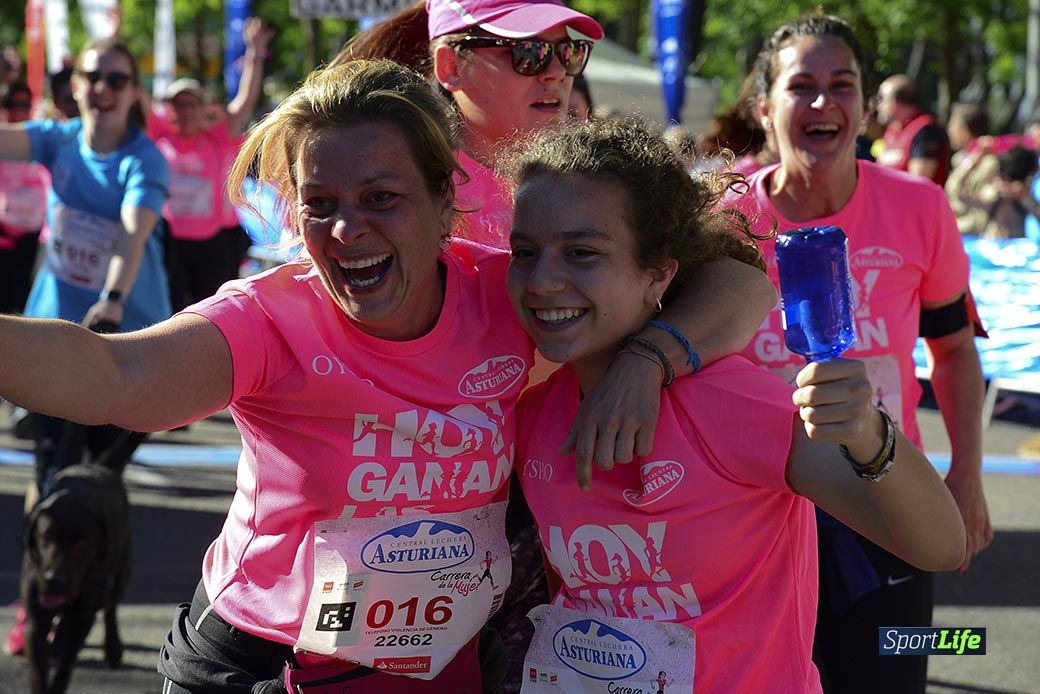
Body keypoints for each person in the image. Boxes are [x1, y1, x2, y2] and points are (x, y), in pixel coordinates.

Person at [0, 59, 772, 692]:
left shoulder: (512, 293)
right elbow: (117, 374)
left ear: (444, 202)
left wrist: (649, 356)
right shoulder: (270, 319)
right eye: (320, 203)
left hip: (438, 666)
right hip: (264, 660)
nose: (346, 228)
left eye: (381, 198)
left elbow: (736, 280)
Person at [334, 3, 777, 688]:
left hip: (549, 497)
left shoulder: (569, 182)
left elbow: (740, 283)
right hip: (397, 513)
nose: (556, 72)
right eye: (528, 53)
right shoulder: (392, 190)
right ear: (450, 64)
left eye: (568, 52)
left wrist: (646, 359)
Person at [504, 117, 964, 692]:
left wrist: (870, 434)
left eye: (581, 253)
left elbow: (940, 546)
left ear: (657, 275)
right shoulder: (534, 414)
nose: (543, 280)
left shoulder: (730, 403)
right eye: (525, 251)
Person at [729, 15, 992, 692]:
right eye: (801, 86)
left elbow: (954, 349)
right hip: (757, 513)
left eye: (841, 84)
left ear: (866, 107)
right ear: (764, 109)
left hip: (887, 497)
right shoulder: (723, 216)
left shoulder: (920, 207)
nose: (823, 101)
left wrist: (965, 473)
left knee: (890, 671)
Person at [0, 37, 171, 657]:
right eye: (93, 77)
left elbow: (131, 234)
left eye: (117, 79)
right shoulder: (58, 139)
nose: (103, 89)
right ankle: (34, 599)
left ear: (133, 92)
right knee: (47, 473)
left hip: (122, 337)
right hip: (52, 332)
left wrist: (113, 298)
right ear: (75, 86)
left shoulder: (144, 160)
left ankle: (93, 593)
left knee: (100, 480)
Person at [149, 18, 273, 311]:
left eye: (191, 104)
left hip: (212, 245)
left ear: (202, 108)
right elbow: (136, 100)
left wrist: (254, 52)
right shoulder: (161, 138)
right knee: (171, 312)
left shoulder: (218, 137)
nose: (186, 111)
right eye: (179, 105)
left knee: (211, 311)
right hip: (171, 244)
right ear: (171, 110)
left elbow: (245, 101)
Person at [0, 81, 49, 314]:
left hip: (31, 243)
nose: (18, 111)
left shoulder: (42, 143)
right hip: (3, 240)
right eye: (12, 104)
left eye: (25, 105)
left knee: (21, 309)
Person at [875, 73, 951, 185]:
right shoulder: (893, 130)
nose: (878, 106)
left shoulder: (925, 129)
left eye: (881, 98)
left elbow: (918, 184)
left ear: (893, 103)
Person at [945, 102, 1000, 236]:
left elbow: (953, 188)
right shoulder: (958, 159)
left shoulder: (990, 163)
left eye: (952, 126)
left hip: (979, 236)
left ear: (965, 130)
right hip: (959, 230)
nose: (949, 131)